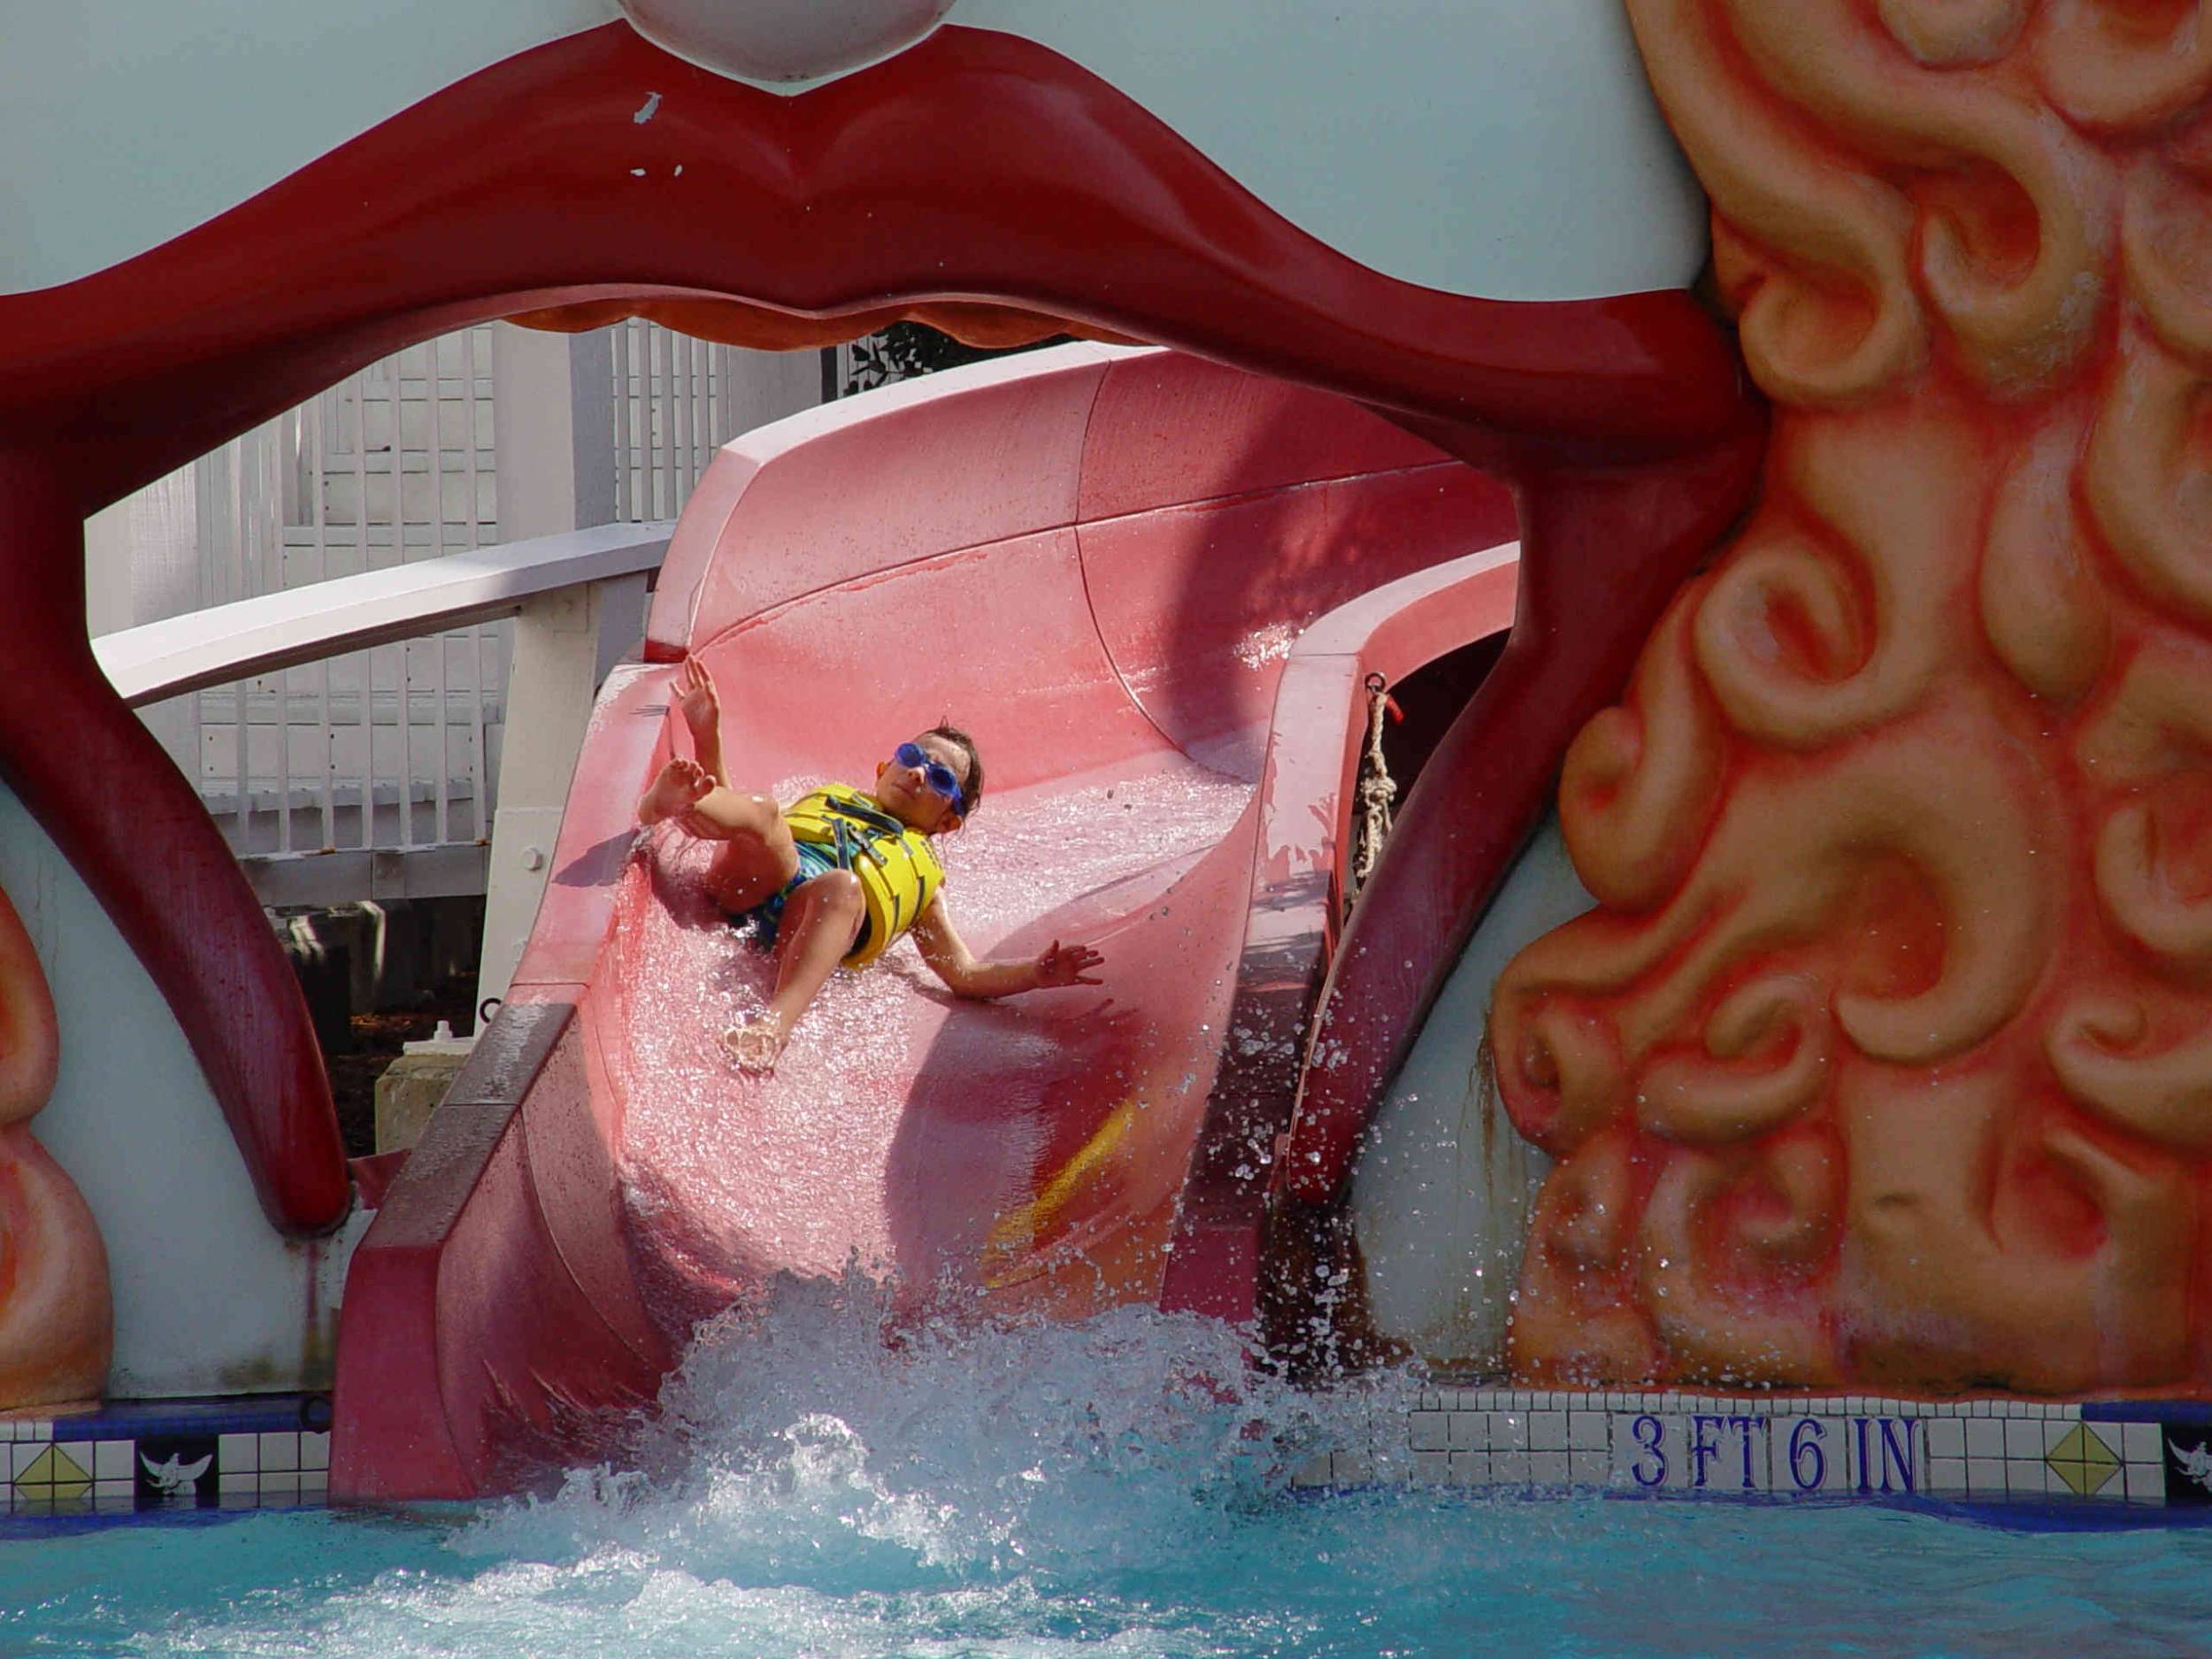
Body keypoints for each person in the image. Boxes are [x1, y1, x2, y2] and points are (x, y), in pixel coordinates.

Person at [636, 655, 1105, 1070]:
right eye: (911, 757)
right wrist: (707, 735)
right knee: (765, 812)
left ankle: (771, 1029)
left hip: (804, 928)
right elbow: (738, 821)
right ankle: (672, 805)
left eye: (940, 778)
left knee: (842, 887)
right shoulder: (834, 796)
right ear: (884, 767)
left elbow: (963, 974)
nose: (918, 772)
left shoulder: (926, 887)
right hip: (756, 881)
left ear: (947, 823)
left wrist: (1035, 975)